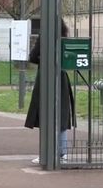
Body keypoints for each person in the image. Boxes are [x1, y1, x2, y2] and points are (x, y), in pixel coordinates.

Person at [25, 20, 76, 163]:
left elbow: (33, 56)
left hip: (45, 76)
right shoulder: (64, 37)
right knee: (61, 112)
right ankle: (62, 152)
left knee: (45, 112)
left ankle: (45, 153)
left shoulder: (44, 36)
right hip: (61, 77)